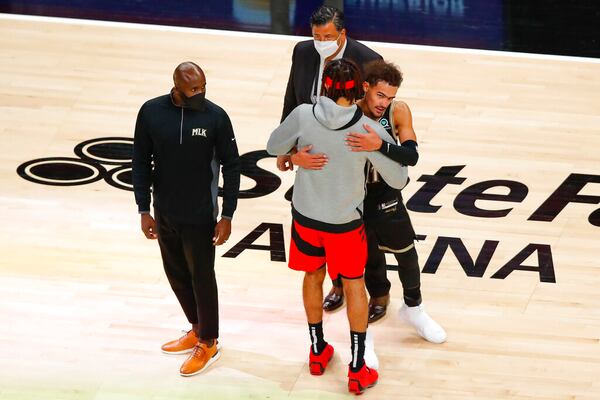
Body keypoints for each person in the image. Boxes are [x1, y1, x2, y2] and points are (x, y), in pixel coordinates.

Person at [267, 59, 408, 395]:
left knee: (313, 276)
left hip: (305, 217)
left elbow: (273, 147)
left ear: (325, 87)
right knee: (355, 286)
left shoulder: (303, 114)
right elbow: (399, 178)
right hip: (344, 224)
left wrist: (295, 155)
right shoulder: (366, 128)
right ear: (359, 88)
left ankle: (317, 352)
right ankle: (357, 369)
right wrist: (380, 146)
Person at [292, 60, 447, 343]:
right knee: (362, 256)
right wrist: (291, 155)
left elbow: (411, 156)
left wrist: (382, 145)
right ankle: (369, 298)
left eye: (390, 96)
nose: (384, 102)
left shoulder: (397, 111)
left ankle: (414, 307)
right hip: (351, 193)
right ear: (366, 88)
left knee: (406, 251)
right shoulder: (348, 111)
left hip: (384, 191)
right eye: (380, 95)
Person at [132, 61, 241, 376]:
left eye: (203, 87)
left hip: (201, 214)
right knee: (176, 273)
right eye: (194, 89)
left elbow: (232, 166)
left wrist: (228, 214)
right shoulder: (151, 112)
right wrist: (143, 210)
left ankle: (209, 341)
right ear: (177, 87)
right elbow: (140, 161)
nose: (200, 94)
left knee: (202, 277)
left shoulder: (215, 117)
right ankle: (196, 327)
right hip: (164, 211)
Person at [279, 4, 382, 311]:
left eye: (327, 35)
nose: (320, 41)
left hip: (350, 151)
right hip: (312, 152)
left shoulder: (367, 59)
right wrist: (288, 146)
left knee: (362, 227)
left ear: (342, 34)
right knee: (322, 225)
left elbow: (378, 113)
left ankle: (378, 291)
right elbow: (291, 98)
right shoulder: (303, 52)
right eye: (316, 35)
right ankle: (337, 284)